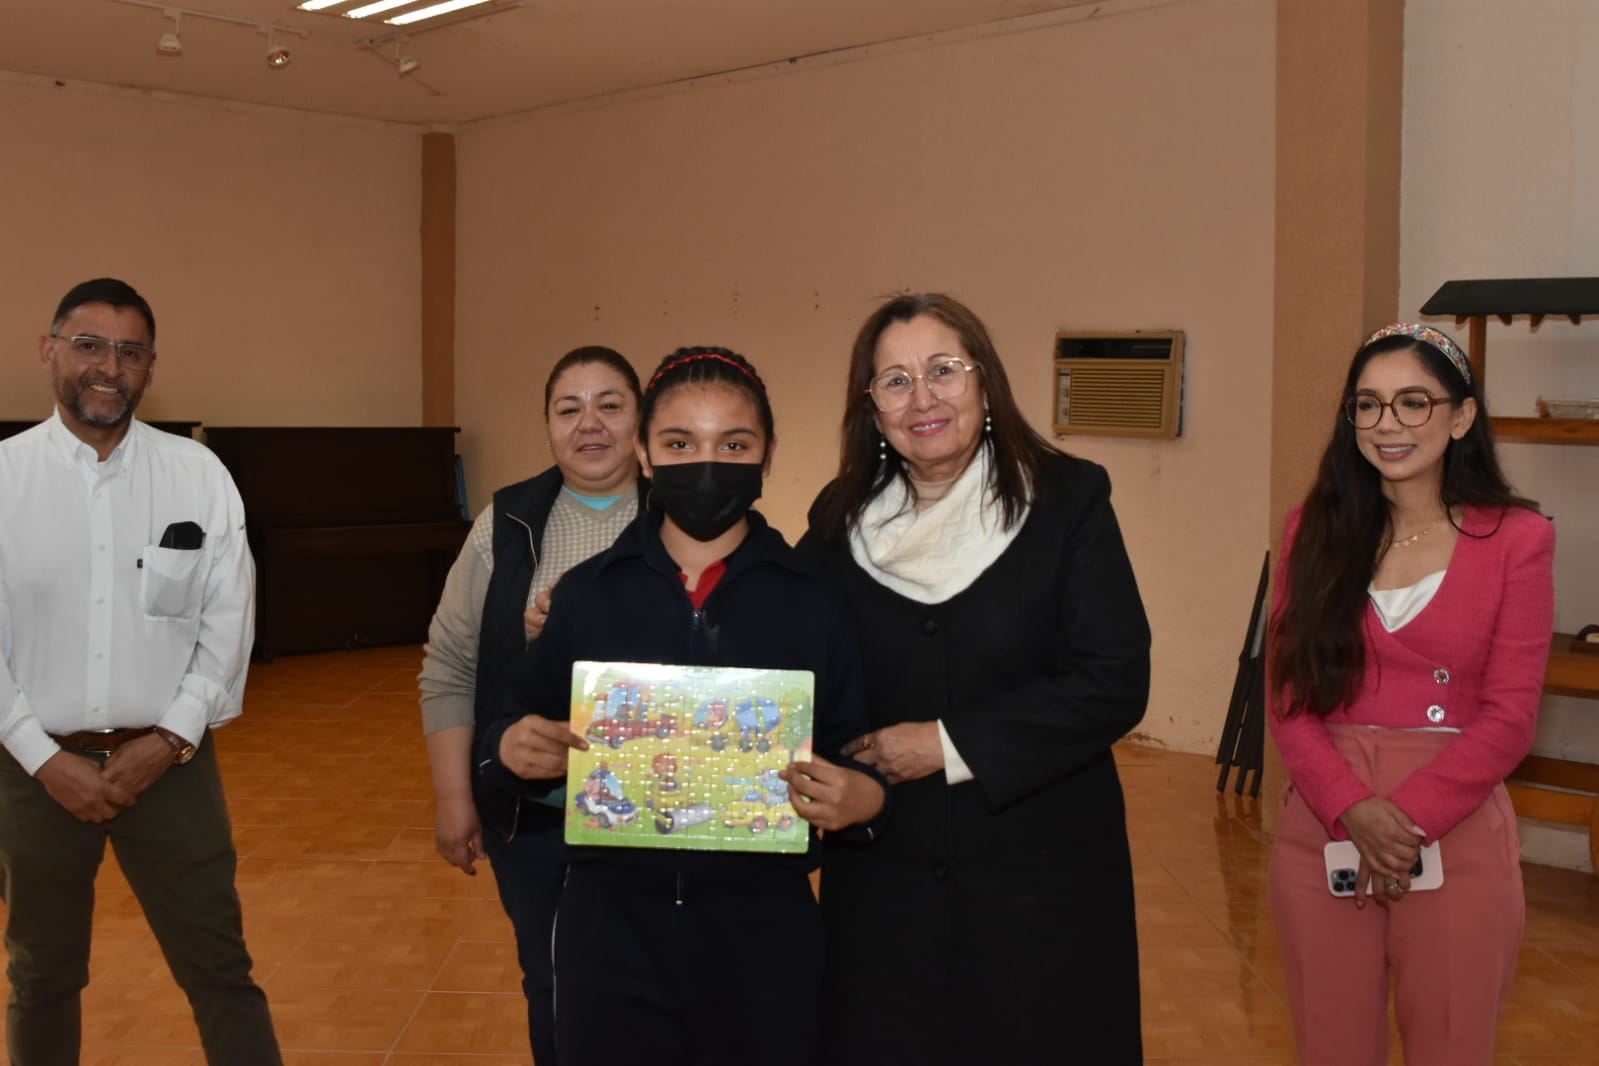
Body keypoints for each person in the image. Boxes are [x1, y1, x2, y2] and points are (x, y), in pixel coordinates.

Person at [478, 346, 888, 1066]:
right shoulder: (587, 594)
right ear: (643, 451)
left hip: (764, 926)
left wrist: (863, 796)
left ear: (767, 455)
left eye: (734, 444)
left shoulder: (815, 601)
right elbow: (509, 721)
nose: (707, 464)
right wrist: (512, 747)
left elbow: (856, 747)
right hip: (608, 928)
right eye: (678, 443)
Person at [801, 292, 1151, 1064]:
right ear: (870, 407)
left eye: (943, 370)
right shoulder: (837, 520)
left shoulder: (1067, 502)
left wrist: (948, 744)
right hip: (884, 876)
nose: (920, 397)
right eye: (893, 380)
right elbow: (780, 641)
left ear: (984, 382)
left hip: (1039, 879)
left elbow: (1112, 680)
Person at [0, 278, 280, 1064]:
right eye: (89, 345)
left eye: (129, 352)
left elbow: (228, 623)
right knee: (41, 976)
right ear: (50, 351)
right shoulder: (4, 480)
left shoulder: (197, 474)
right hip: (32, 771)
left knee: (221, 970)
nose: (108, 367)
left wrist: (167, 740)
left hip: (172, 766)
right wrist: (45, 758)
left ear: (150, 367)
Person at [1266, 323, 1554, 1065]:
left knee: (1453, 1042)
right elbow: (1290, 696)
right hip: (1326, 821)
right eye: (1367, 405)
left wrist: (1404, 820)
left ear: (1460, 418)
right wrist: (1350, 808)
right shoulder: (1314, 531)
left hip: (1451, 826)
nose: (1386, 423)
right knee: (1329, 1044)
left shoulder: (1517, 539)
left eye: (1412, 402)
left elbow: (1511, 716)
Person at [418, 345, 645, 1065]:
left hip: (659, 817)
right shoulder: (506, 521)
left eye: (610, 404)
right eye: (568, 408)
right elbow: (449, 663)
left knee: (655, 988)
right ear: (547, 425)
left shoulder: (687, 515)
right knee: (552, 988)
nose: (590, 424)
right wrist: (456, 798)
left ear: (640, 420)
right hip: (534, 819)